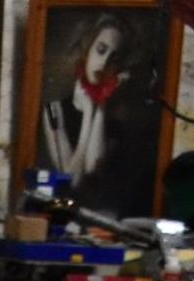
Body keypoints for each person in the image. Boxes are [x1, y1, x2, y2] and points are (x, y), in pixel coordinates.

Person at [41, 12, 132, 197]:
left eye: (113, 58)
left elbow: (91, 169)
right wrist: (88, 114)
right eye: (100, 50)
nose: (104, 62)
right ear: (88, 49)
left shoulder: (115, 128)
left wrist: (98, 107)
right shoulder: (53, 110)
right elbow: (72, 181)